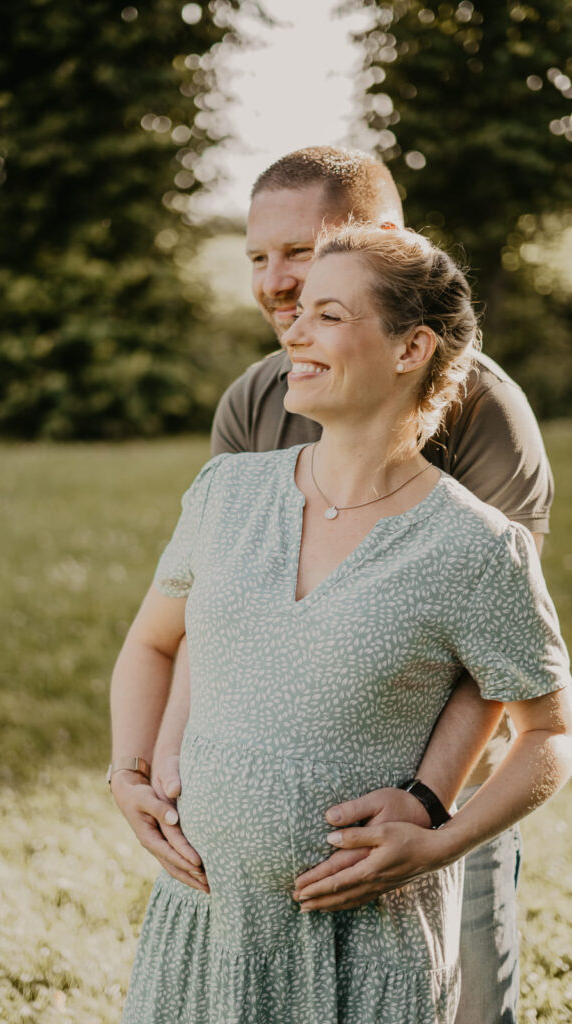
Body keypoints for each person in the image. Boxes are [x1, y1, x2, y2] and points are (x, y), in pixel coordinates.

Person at [112, 148, 555, 1024]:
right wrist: (151, 766)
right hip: (208, 913)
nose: (287, 317)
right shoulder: (240, 449)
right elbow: (199, 617)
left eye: (321, 295)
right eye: (262, 262)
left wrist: (428, 819)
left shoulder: (481, 472)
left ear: (410, 344)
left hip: (389, 899)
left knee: (478, 1002)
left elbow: (506, 676)